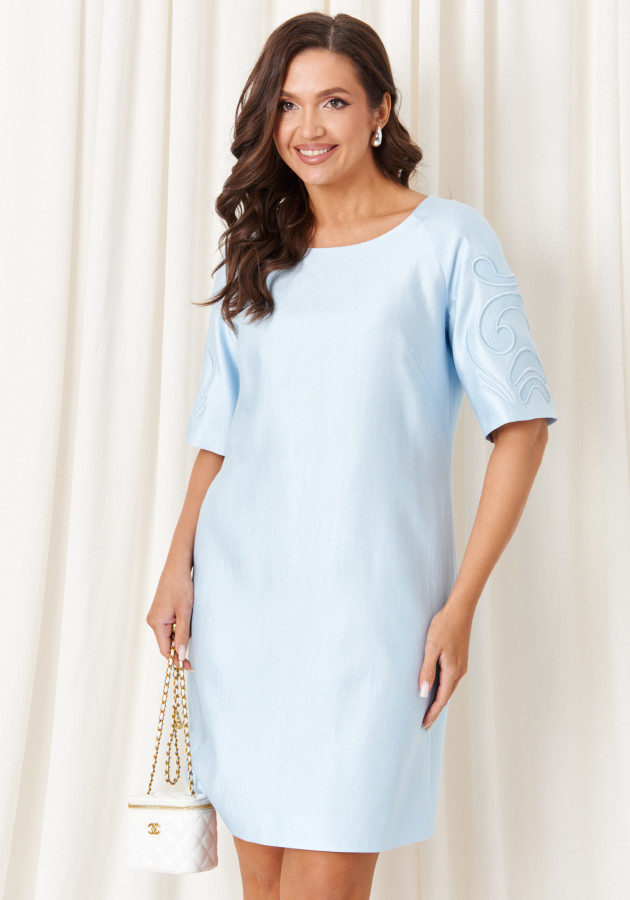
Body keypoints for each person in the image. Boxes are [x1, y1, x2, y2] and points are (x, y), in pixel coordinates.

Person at [146, 11, 558, 900]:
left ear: (380, 110)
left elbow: (521, 426)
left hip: (376, 619)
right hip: (246, 606)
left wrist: (460, 606)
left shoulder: (449, 240)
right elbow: (221, 427)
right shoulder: (259, 253)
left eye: (333, 101)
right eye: (287, 105)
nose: (308, 126)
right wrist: (178, 566)